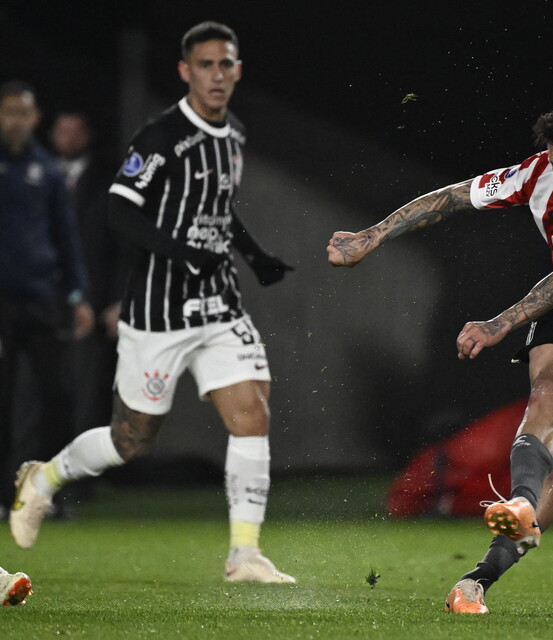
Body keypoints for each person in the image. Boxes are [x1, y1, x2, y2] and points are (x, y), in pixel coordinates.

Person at [328, 98, 553, 613]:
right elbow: (455, 197)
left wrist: (501, 322)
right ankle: (519, 502)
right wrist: (373, 235)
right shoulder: (538, 174)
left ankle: (479, 579)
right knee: (544, 395)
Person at [9, 21, 295, 583]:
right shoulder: (161, 137)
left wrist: (254, 253)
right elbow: (120, 210)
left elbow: (217, 206)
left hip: (219, 306)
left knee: (252, 415)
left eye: (226, 64)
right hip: (158, 315)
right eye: (206, 65)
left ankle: (244, 555)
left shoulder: (232, 134)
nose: (217, 75)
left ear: (237, 70)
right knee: (130, 441)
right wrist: (185, 252)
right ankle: (43, 479)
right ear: (186, 71)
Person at [0, 81, 94, 513]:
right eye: (7, 111)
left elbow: (66, 237)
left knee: (56, 396)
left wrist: (78, 295)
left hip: (41, 299)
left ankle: (52, 492)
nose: (14, 120)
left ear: (35, 118)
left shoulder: (49, 172)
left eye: (22, 112)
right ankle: (4, 495)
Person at [50, 112, 125, 435]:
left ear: (88, 136)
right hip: (39, 306)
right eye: (62, 131)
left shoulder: (110, 184)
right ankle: (27, 475)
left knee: (87, 396)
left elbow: (123, 249)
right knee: (33, 398)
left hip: (91, 305)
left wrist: (118, 301)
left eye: (76, 131)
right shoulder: (33, 179)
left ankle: (78, 480)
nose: (69, 138)